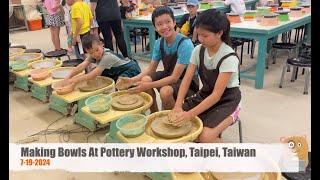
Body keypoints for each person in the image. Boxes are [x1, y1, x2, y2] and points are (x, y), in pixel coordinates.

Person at [171, 9, 241, 143]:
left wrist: (190, 114)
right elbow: (186, 79)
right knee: (174, 119)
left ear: (219, 33)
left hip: (228, 100)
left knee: (205, 136)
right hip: (206, 94)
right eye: (198, 34)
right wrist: (178, 105)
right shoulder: (198, 50)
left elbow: (216, 95)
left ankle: (230, 158)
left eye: (205, 35)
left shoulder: (228, 57)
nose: (200, 39)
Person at [116, 6, 199, 113]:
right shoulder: (159, 42)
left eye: (167, 22)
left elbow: (174, 78)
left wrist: (148, 85)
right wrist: (132, 80)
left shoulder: (185, 44)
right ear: (155, 28)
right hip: (169, 74)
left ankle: (172, 119)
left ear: (174, 23)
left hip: (188, 81)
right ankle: (155, 113)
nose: (164, 26)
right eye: (159, 24)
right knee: (145, 79)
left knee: (165, 92)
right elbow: (151, 69)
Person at [64, 34, 141, 84]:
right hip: (117, 70)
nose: (95, 54)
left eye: (97, 50)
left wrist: (72, 81)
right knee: (95, 72)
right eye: (91, 53)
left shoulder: (107, 57)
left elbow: (92, 75)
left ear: (101, 44)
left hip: (131, 69)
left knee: (120, 84)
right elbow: (81, 66)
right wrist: (68, 77)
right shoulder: (93, 54)